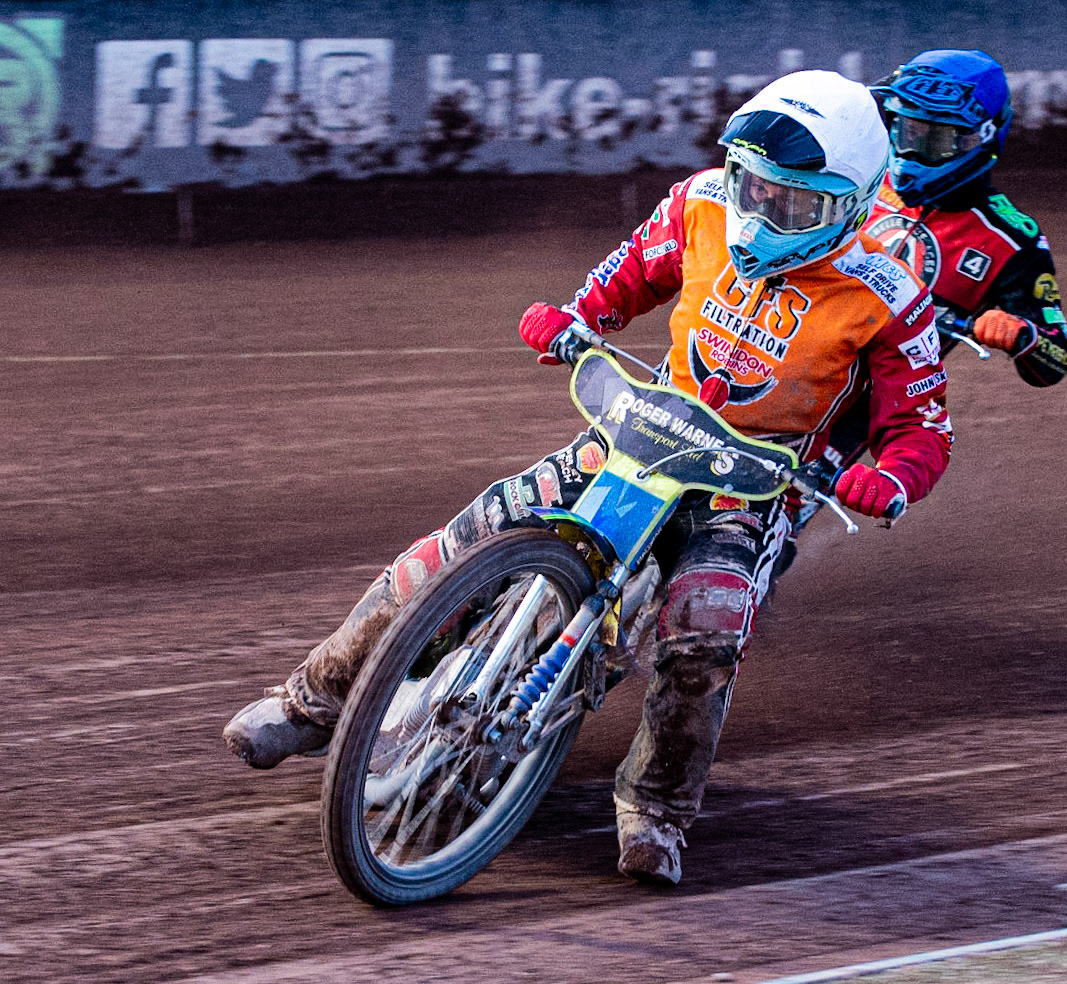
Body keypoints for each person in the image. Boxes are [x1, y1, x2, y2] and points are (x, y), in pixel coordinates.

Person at [223, 70, 953, 885]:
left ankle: (656, 810)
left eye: (793, 203)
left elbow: (920, 427)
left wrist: (890, 479)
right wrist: (576, 318)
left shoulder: (890, 296)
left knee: (703, 629)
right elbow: (626, 277)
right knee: (447, 553)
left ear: (850, 203)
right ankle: (310, 704)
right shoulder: (701, 202)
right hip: (644, 434)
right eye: (752, 183)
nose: (760, 212)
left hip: (747, 487)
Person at [808, 49, 1067, 487]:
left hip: (859, 405)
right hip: (775, 348)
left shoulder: (1012, 241)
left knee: (774, 516)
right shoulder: (860, 176)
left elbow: (1056, 358)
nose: (910, 149)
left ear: (980, 138)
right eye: (905, 130)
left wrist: (1020, 333)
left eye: (935, 139)